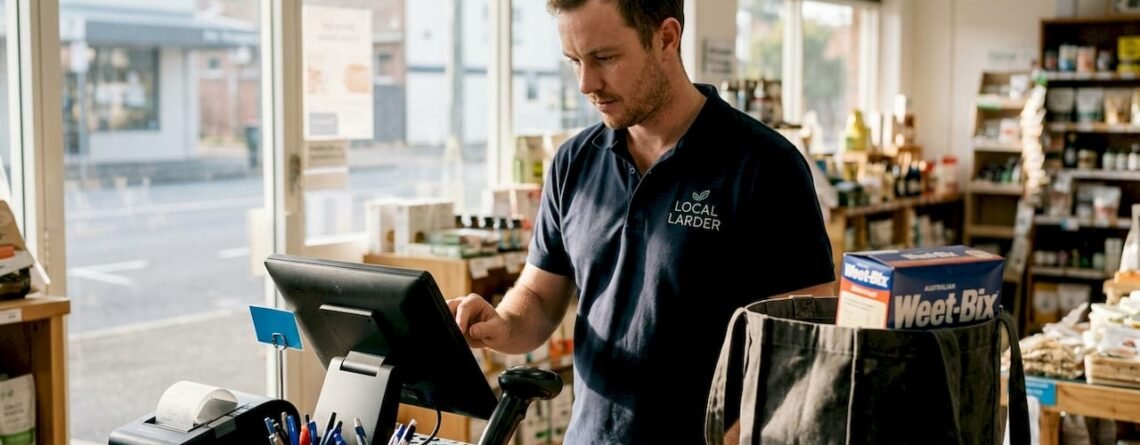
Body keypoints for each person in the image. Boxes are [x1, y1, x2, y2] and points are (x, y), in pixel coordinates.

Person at [448, 0, 835, 443]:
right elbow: (538, 296)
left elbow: (806, 344)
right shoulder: (573, 163)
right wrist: (502, 325)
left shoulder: (766, 166)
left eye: (604, 58)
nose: (586, 83)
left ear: (666, 37)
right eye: (574, 61)